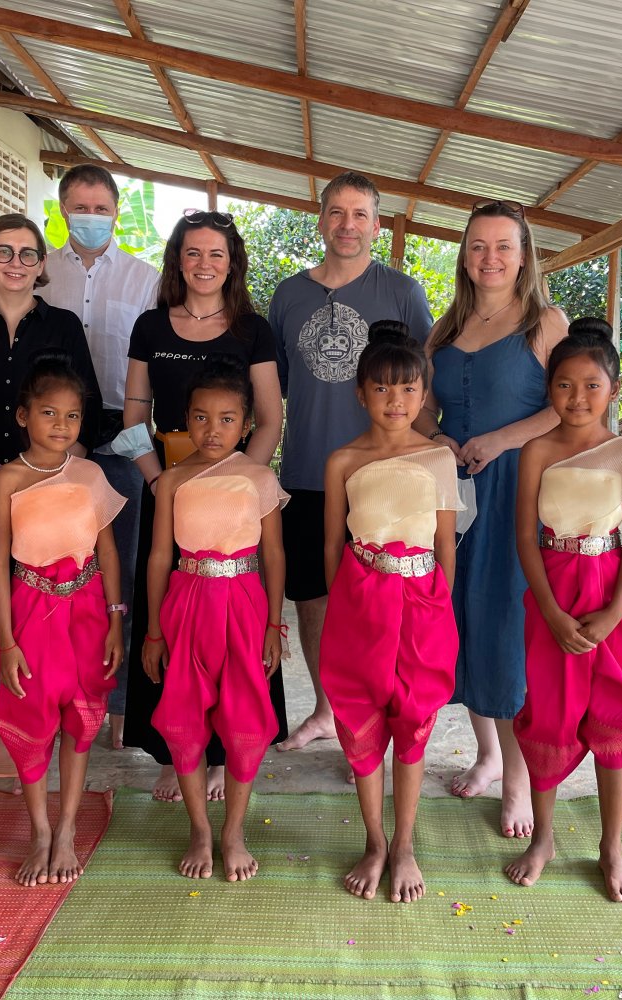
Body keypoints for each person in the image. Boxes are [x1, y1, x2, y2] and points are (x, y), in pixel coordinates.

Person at [122, 209, 285, 802]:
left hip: (237, 498)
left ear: (232, 262)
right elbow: (134, 416)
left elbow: (269, 418)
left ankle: (226, 755)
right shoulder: (149, 327)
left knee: (238, 637)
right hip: (169, 485)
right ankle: (176, 751)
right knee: (171, 625)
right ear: (177, 260)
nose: (204, 264)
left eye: (217, 254)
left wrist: (243, 482)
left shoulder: (253, 330)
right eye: (193, 253)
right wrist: (161, 481)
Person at [416, 200, 567, 835]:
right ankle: (483, 753)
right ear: (464, 254)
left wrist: (503, 440)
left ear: (524, 254)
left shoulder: (544, 321)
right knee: (460, 619)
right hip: (453, 491)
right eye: (479, 246)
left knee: (505, 624)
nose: (491, 258)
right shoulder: (445, 326)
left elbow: (569, 407)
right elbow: (417, 404)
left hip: (515, 490)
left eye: (503, 246)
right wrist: (439, 440)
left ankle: (518, 777)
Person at [269, 171, 434, 755]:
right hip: (309, 471)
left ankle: (374, 724)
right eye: (337, 212)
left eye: (360, 214)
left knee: (378, 603)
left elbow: (423, 384)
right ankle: (327, 708)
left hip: (385, 483)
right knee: (313, 597)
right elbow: (276, 390)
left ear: (377, 224)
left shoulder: (403, 292)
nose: (347, 225)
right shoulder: (288, 295)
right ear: (320, 220)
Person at [506, 318, 622, 902]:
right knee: (549, 715)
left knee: (612, 716)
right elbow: (524, 537)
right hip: (551, 592)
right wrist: (550, 610)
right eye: (564, 385)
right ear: (550, 389)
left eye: (592, 385)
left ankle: (611, 848)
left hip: (610, 592)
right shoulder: (535, 450)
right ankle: (542, 838)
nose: (577, 398)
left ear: (613, 390)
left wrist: (615, 612)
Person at [0, 214, 102, 742]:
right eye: (5, 252)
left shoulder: (62, 327)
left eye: (28, 254)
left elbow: (89, 410)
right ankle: (6, 728)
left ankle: (48, 709)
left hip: (42, 492)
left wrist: (54, 476)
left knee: (40, 603)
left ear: (41, 265)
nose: (16, 263)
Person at [320, 322, 461, 902]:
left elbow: (446, 546)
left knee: (413, 722)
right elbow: (333, 545)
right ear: (361, 393)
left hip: (423, 606)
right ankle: (374, 840)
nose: (395, 402)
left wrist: (438, 607)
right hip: (358, 605)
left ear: (424, 395)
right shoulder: (342, 461)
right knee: (360, 719)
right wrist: (344, 606)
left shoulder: (438, 459)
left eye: (407, 390)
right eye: (381, 389)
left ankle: (404, 843)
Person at [142, 357, 287, 882]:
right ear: (185, 419)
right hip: (186, 601)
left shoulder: (258, 478)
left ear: (247, 425)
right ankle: (200, 829)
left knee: (246, 717)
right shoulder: (172, 481)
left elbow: (273, 555)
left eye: (227, 419)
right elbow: (159, 556)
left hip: (245, 602)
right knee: (183, 716)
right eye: (201, 417)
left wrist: (274, 624)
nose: (213, 429)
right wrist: (154, 630)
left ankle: (233, 833)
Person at [0, 353, 125, 886]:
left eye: (72, 416)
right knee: (33, 718)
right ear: (23, 415)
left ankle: (67, 828)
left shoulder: (90, 474)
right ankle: (40, 830)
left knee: (80, 719)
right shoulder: (7, 479)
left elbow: (108, 553)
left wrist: (115, 618)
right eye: (49, 414)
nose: (61, 426)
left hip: (89, 609)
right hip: (31, 610)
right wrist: (6, 639)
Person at [39, 164, 161, 750]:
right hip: (47, 438)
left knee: (123, 570)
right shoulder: (38, 274)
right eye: (79, 207)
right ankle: (47, 696)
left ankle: (117, 707)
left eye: (101, 208)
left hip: (120, 435)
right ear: (63, 210)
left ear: (117, 211)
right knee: (48, 570)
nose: (90, 217)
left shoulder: (146, 279)